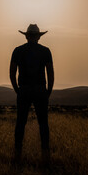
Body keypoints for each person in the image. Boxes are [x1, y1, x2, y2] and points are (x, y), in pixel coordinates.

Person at [10, 24, 54, 164]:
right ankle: (45, 155)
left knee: (20, 123)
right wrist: (48, 91)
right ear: (39, 37)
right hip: (40, 89)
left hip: (24, 89)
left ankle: (18, 155)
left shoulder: (18, 51)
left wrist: (17, 89)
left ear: (26, 36)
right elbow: (50, 73)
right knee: (43, 124)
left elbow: (12, 73)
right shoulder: (45, 51)